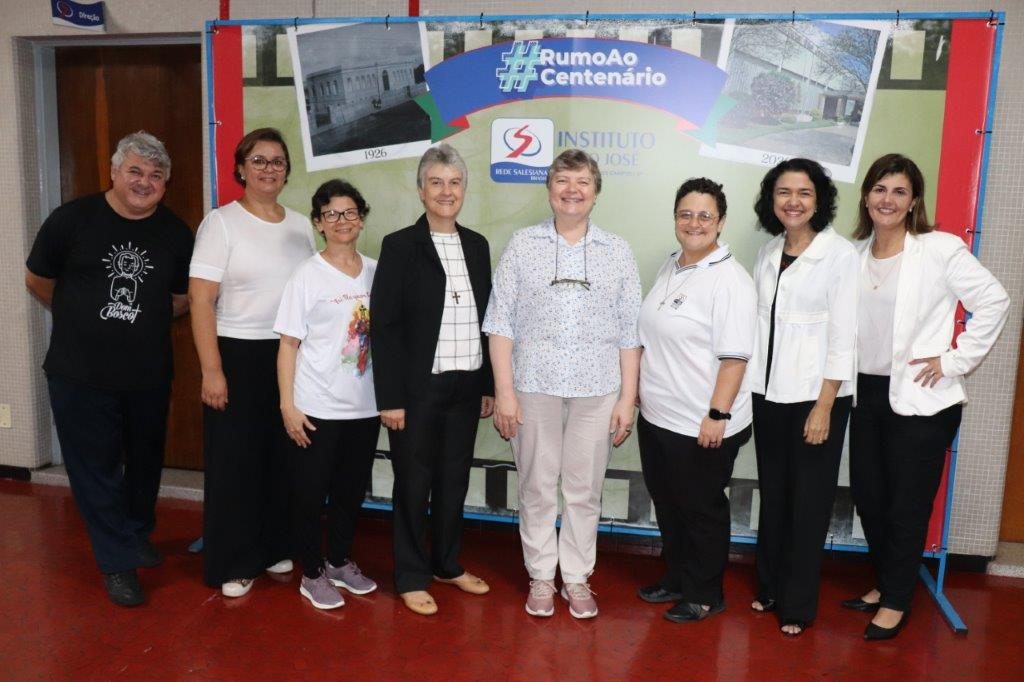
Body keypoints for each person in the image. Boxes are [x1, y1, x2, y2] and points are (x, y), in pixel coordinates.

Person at [25, 131, 194, 606]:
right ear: (114, 172)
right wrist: (80, 316)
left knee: (145, 464)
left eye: (155, 175)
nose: (144, 182)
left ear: (165, 183)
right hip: (78, 374)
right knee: (94, 470)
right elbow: (37, 279)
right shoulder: (71, 219)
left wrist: (139, 320)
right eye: (135, 171)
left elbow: (182, 298)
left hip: (148, 374)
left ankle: (135, 532)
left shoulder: (176, 233)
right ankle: (117, 562)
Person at [844, 154, 1009, 640]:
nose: (888, 200)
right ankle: (886, 581)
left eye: (899, 191)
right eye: (880, 189)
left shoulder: (939, 249)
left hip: (923, 400)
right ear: (866, 197)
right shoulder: (854, 254)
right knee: (869, 498)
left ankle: (896, 600)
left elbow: (994, 300)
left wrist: (954, 361)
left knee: (907, 505)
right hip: (867, 394)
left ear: (914, 200)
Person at [484, 149, 642, 620]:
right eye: (562, 181)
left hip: (598, 391)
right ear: (549, 189)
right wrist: (505, 393)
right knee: (536, 485)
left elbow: (630, 332)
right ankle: (540, 575)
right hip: (533, 388)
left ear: (596, 192)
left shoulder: (617, 250)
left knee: (583, 490)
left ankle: (575, 577)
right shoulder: (522, 244)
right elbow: (500, 324)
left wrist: (627, 399)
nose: (572, 190)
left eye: (583, 182)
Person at [189, 128, 316, 598]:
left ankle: (273, 546)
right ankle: (236, 562)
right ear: (241, 168)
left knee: (282, 458)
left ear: (287, 171)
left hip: (289, 356)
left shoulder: (301, 226)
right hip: (236, 354)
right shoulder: (220, 224)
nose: (268, 169)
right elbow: (201, 301)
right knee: (235, 463)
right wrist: (212, 370)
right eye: (258, 160)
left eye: (277, 161)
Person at [370, 143, 494, 616]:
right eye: (437, 183)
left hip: (466, 386)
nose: (447, 191)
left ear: (465, 189)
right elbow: (385, 327)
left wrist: (487, 385)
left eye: (455, 182)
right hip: (417, 391)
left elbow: (488, 320)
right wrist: (390, 397)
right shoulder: (400, 246)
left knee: (453, 481)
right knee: (413, 482)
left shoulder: (477, 246)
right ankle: (410, 575)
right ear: (421, 190)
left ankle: (446, 563)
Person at [635, 178, 756, 623]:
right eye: (686, 214)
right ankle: (677, 578)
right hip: (658, 417)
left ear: (721, 222)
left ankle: (705, 593)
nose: (694, 223)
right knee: (669, 504)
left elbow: (734, 359)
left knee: (701, 509)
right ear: (675, 218)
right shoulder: (672, 265)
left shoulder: (731, 280)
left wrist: (716, 414)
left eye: (705, 215)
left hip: (702, 422)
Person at [746, 158, 858, 636]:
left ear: (819, 200)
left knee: (809, 503)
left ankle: (797, 605)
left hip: (817, 398)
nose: (793, 201)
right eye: (783, 192)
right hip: (768, 394)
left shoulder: (840, 255)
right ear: (771, 200)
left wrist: (825, 405)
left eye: (804, 192)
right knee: (775, 495)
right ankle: (770, 586)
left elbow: (844, 336)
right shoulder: (769, 251)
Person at [274, 179, 381, 610]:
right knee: (309, 493)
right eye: (331, 214)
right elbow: (288, 344)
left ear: (361, 219)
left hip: (365, 406)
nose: (342, 221)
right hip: (315, 405)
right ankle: (312, 572)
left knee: (350, 492)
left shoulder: (376, 271)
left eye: (350, 212)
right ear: (319, 223)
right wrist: (288, 405)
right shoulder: (307, 275)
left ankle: (338, 561)